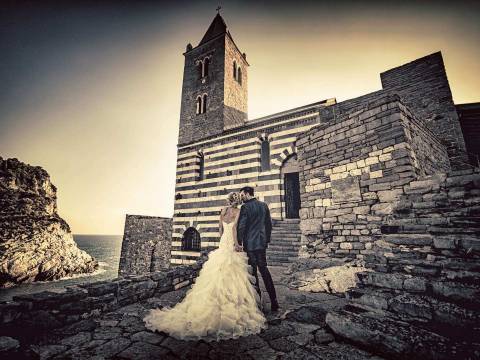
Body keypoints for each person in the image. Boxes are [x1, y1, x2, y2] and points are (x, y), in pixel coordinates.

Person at [143, 192, 266, 341]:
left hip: (222, 242)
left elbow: (220, 228)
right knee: (232, 271)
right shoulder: (237, 211)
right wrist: (237, 244)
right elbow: (234, 230)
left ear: (228, 200)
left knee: (217, 271)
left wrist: (223, 239)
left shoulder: (223, 210)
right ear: (238, 201)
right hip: (231, 242)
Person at [237, 186, 279, 312]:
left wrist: (239, 243)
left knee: (253, 273)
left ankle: (258, 302)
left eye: (242, 195)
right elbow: (268, 225)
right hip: (261, 243)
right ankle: (274, 301)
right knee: (265, 271)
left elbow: (241, 227)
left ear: (248, 194)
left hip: (250, 245)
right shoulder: (264, 205)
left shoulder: (245, 207)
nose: (241, 197)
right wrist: (266, 240)